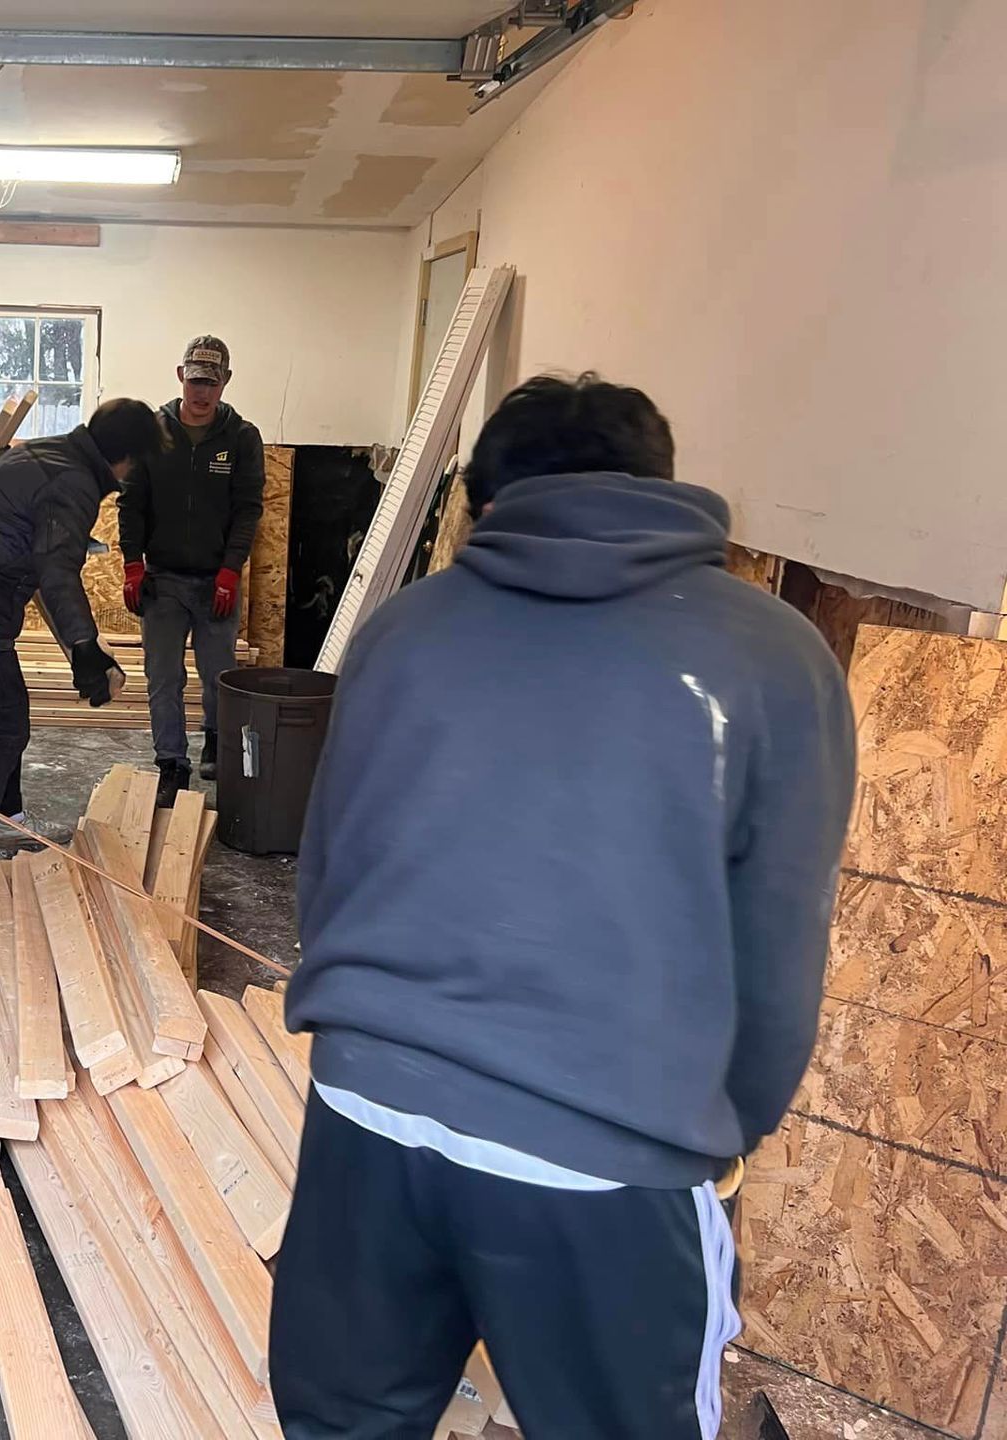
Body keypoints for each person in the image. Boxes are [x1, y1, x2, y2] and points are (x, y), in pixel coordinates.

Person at [276, 374, 856, 1439]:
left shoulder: (403, 628)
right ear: (662, 487)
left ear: (484, 506)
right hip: (605, 1149)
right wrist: (725, 1136)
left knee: (344, 1425)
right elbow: (778, 941)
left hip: (368, 1113)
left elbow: (327, 868)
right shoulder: (772, 657)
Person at [0, 398, 165, 883]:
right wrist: (88, 650)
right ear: (127, 458)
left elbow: (41, 565)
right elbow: (56, 571)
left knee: (12, 713)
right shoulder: (72, 482)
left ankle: (7, 816)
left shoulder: (55, 452)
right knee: (7, 724)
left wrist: (81, 647)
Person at [118, 335, 264, 806]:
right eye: (196, 381)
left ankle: (217, 744)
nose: (203, 393)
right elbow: (132, 503)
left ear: (226, 382)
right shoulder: (152, 434)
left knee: (219, 674)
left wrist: (230, 570)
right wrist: (132, 563)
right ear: (181, 376)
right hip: (163, 581)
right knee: (163, 676)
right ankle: (170, 763)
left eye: (213, 383)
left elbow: (247, 509)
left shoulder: (242, 438)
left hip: (214, 582)